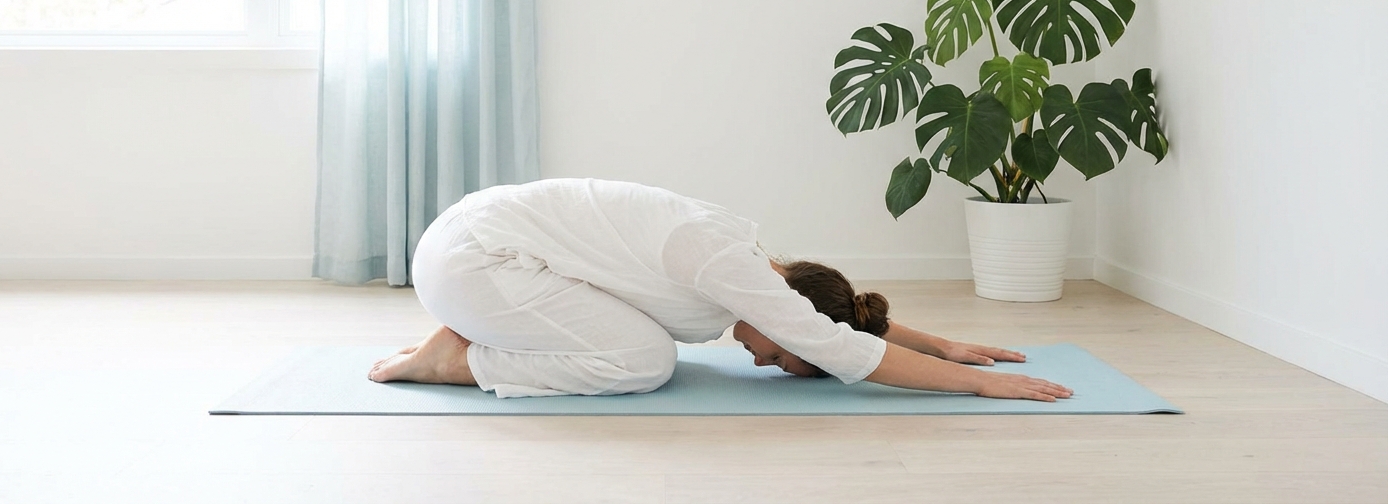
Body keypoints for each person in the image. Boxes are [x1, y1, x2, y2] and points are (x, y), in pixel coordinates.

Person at [369, 178, 1072, 402]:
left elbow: (840, 329)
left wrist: (942, 342)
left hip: (474, 246)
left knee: (642, 349)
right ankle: (456, 360)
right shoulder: (731, 266)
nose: (767, 362)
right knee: (645, 362)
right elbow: (842, 346)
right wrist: (977, 386)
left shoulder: (751, 269)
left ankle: (471, 333)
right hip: (473, 261)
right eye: (789, 357)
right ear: (793, 314)